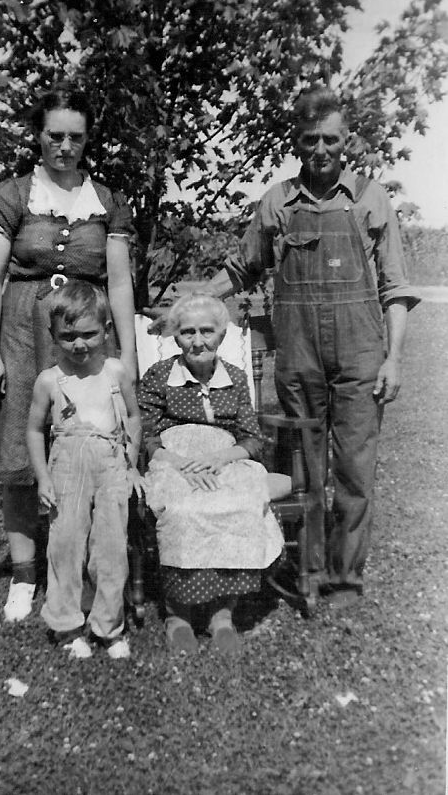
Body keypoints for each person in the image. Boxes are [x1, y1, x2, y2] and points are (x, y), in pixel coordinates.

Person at [207, 85, 420, 607]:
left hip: (361, 356)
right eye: (309, 140)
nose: (320, 150)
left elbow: (396, 289)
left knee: (354, 469)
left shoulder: (371, 198)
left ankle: (344, 577)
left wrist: (393, 360)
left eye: (330, 140)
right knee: (302, 468)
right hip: (298, 353)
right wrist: (192, 303)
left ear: (346, 140)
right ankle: (305, 563)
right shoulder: (277, 202)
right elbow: (241, 268)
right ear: (296, 143)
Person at [0, 82, 137, 623]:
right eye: (55, 135)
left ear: (87, 140)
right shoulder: (14, 196)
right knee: (21, 449)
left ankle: (86, 568)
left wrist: (126, 356)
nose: (65, 146)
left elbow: (119, 283)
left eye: (76, 137)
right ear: (38, 136)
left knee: (95, 446)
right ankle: (24, 576)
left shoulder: (108, 201)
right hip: (22, 332)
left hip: (86, 340)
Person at [138, 294, 284, 655]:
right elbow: (147, 435)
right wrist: (178, 462)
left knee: (240, 504)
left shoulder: (234, 377)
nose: (198, 341)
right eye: (188, 332)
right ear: (175, 337)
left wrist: (221, 457)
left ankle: (222, 615)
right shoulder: (160, 376)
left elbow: (251, 438)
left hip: (225, 458)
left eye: (206, 331)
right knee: (183, 510)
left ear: (221, 335)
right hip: (173, 459)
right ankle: (179, 615)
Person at [26, 282, 142, 660]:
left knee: (110, 547)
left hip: (111, 465)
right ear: (53, 336)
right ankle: (66, 625)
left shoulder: (116, 372)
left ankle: (108, 627)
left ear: (107, 330)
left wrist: (132, 462)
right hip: (67, 466)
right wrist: (43, 476)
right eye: (68, 336)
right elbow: (32, 430)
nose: (80, 344)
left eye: (90, 334)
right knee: (65, 544)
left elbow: (134, 418)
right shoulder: (50, 380)